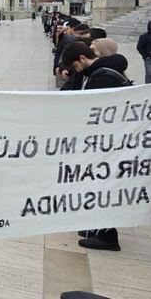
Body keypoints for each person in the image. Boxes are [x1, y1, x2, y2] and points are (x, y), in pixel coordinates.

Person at [61, 41, 130, 252]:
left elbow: (100, 113)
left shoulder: (102, 77)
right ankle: (97, 227)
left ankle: (107, 236)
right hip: (105, 142)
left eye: (76, 66)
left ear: (82, 58)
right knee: (96, 184)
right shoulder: (100, 72)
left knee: (103, 185)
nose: (76, 71)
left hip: (107, 143)